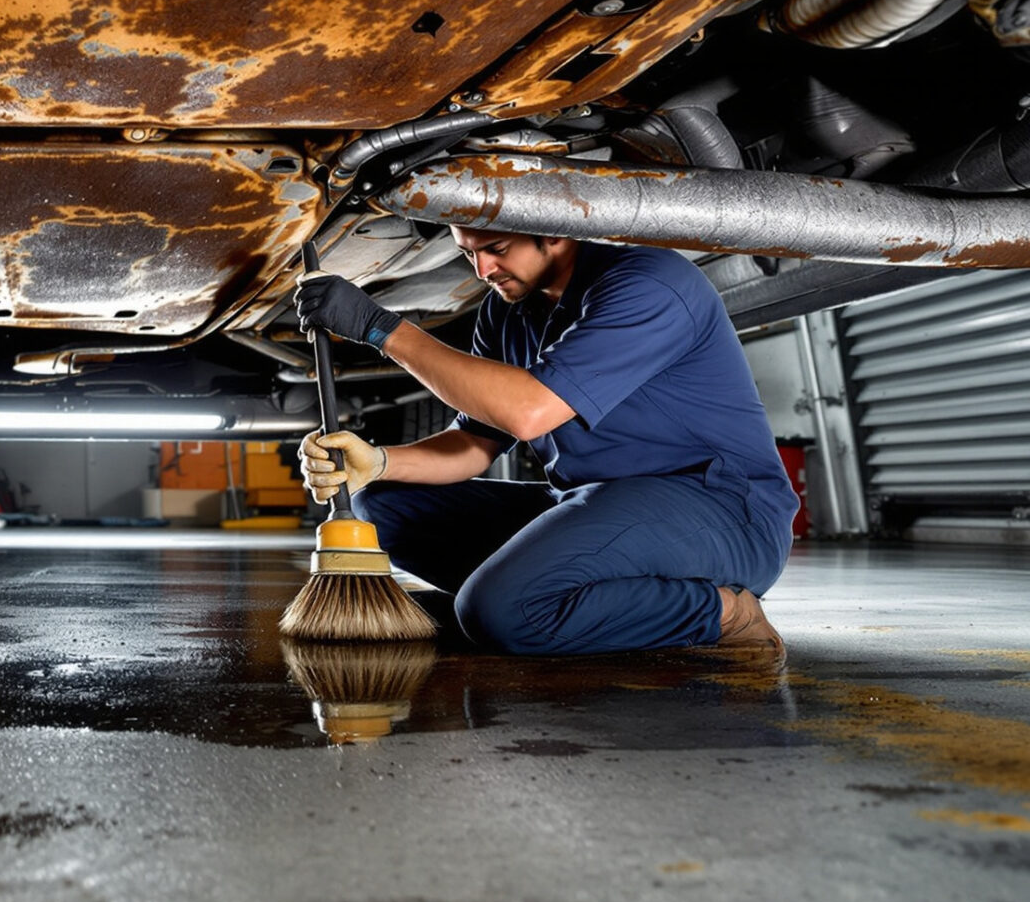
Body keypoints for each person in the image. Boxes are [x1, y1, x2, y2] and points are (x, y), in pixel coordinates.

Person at [293, 229, 797, 656]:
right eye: (468, 254)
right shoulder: (506, 313)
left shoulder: (648, 283)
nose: (483, 269)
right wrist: (377, 462)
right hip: (594, 503)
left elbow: (529, 412)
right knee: (380, 506)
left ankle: (724, 613)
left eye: (496, 249)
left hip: (720, 512)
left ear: (552, 232)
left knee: (501, 611)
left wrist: (381, 329)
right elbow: (475, 443)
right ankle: (526, 600)